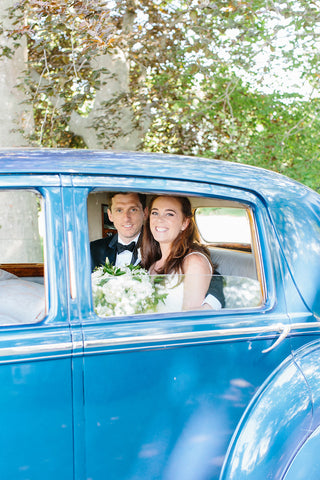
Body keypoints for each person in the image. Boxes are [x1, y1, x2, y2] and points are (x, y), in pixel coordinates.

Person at [141, 195, 224, 311]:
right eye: (155, 213)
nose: (159, 219)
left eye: (169, 214)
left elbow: (190, 320)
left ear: (184, 223)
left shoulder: (194, 261)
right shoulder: (153, 263)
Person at [90, 192, 148, 271]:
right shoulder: (93, 250)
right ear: (110, 215)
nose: (126, 218)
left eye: (133, 210)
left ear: (145, 213)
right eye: (119, 210)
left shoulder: (160, 249)